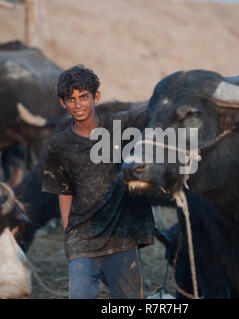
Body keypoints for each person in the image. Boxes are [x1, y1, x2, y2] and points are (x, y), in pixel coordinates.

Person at [41, 65, 154, 299]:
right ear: (63, 103)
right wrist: (68, 235)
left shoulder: (122, 126)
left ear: (96, 97)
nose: (78, 104)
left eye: (84, 97)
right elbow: (64, 191)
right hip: (83, 239)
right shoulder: (59, 144)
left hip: (122, 238)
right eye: (71, 99)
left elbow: (156, 114)